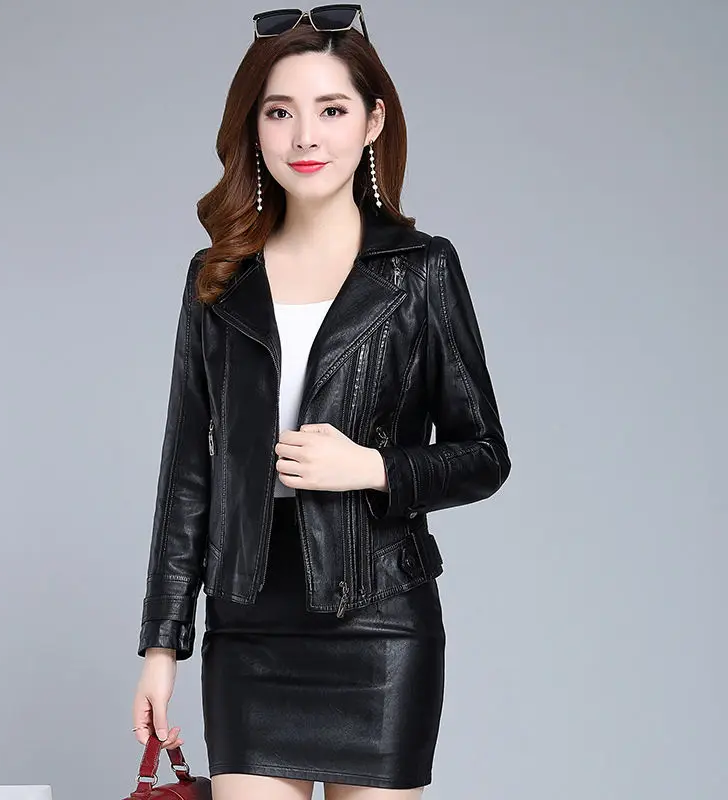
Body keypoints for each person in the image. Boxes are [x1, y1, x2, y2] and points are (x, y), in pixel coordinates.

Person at [131, 5, 511, 799]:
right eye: (280, 112)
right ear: (254, 128)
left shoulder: (421, 270)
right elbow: (187, 474)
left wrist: (372, 467)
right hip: (247, 620)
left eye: (331, 110)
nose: (305, 136)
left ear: (373, 122)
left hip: (381, 615)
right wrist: (162, 648)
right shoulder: (217, 277)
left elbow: (484, 454)